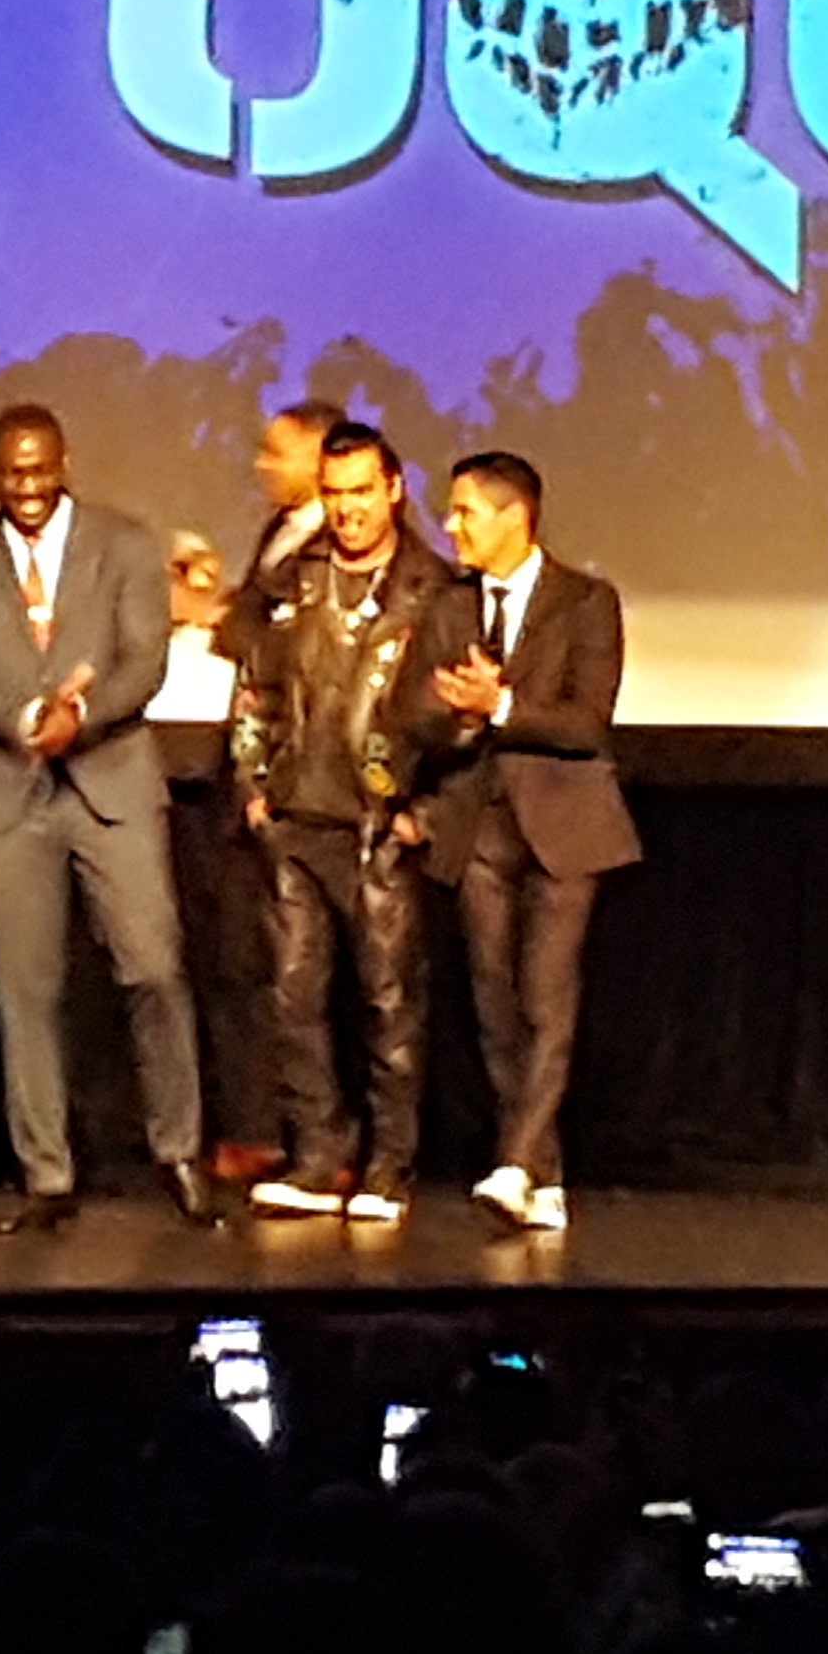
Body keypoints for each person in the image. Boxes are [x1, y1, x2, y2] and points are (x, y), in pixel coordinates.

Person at [0, 403, 216, 1229]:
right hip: (8, 793)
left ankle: (179, 1152)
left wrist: (78, 719)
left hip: (110, 786)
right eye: (14, 474)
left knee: (153, 969)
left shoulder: (124, 544)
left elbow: (144, 661)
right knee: (27, 992)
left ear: (64, 464)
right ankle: (47, 1175)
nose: (29, 488)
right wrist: (22, 720)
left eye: (41, 471)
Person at [232, 421, 455, 1227]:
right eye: (333, 494)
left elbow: (460, 723)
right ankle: (320, 1157)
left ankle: (390, 1166)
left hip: (377, 826)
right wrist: (252, 782)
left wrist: (424, 814)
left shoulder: (434, 590)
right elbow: (254, 686)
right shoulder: (295, 579)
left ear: (394, 488)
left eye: (362, 491)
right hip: (295, 819)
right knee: (294, 998)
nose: (348, 510)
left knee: (389, 1003)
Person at [412, 450, 638, 1239]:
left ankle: (514, 1161)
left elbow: (587, 722)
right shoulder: (449, 607)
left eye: (465, 512)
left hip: (565, 825)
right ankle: (542, 1171)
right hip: (479, 825)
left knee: (547, 997)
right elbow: (415, 712)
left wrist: (502, 705)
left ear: (515, 517)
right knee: (494, 1004)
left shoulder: (586, 601)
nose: (451, 527)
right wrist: (458, 717)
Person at [196, 399, 344, 1187]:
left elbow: (289, 644)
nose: (262, 465)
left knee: (299, 971)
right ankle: (255, 1128)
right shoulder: (280, 532)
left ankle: (316, 1137)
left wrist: (221, 618)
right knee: (239, 961)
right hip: (246, 777)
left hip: (303, 782)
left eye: (277, 452)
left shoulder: (341, 547)